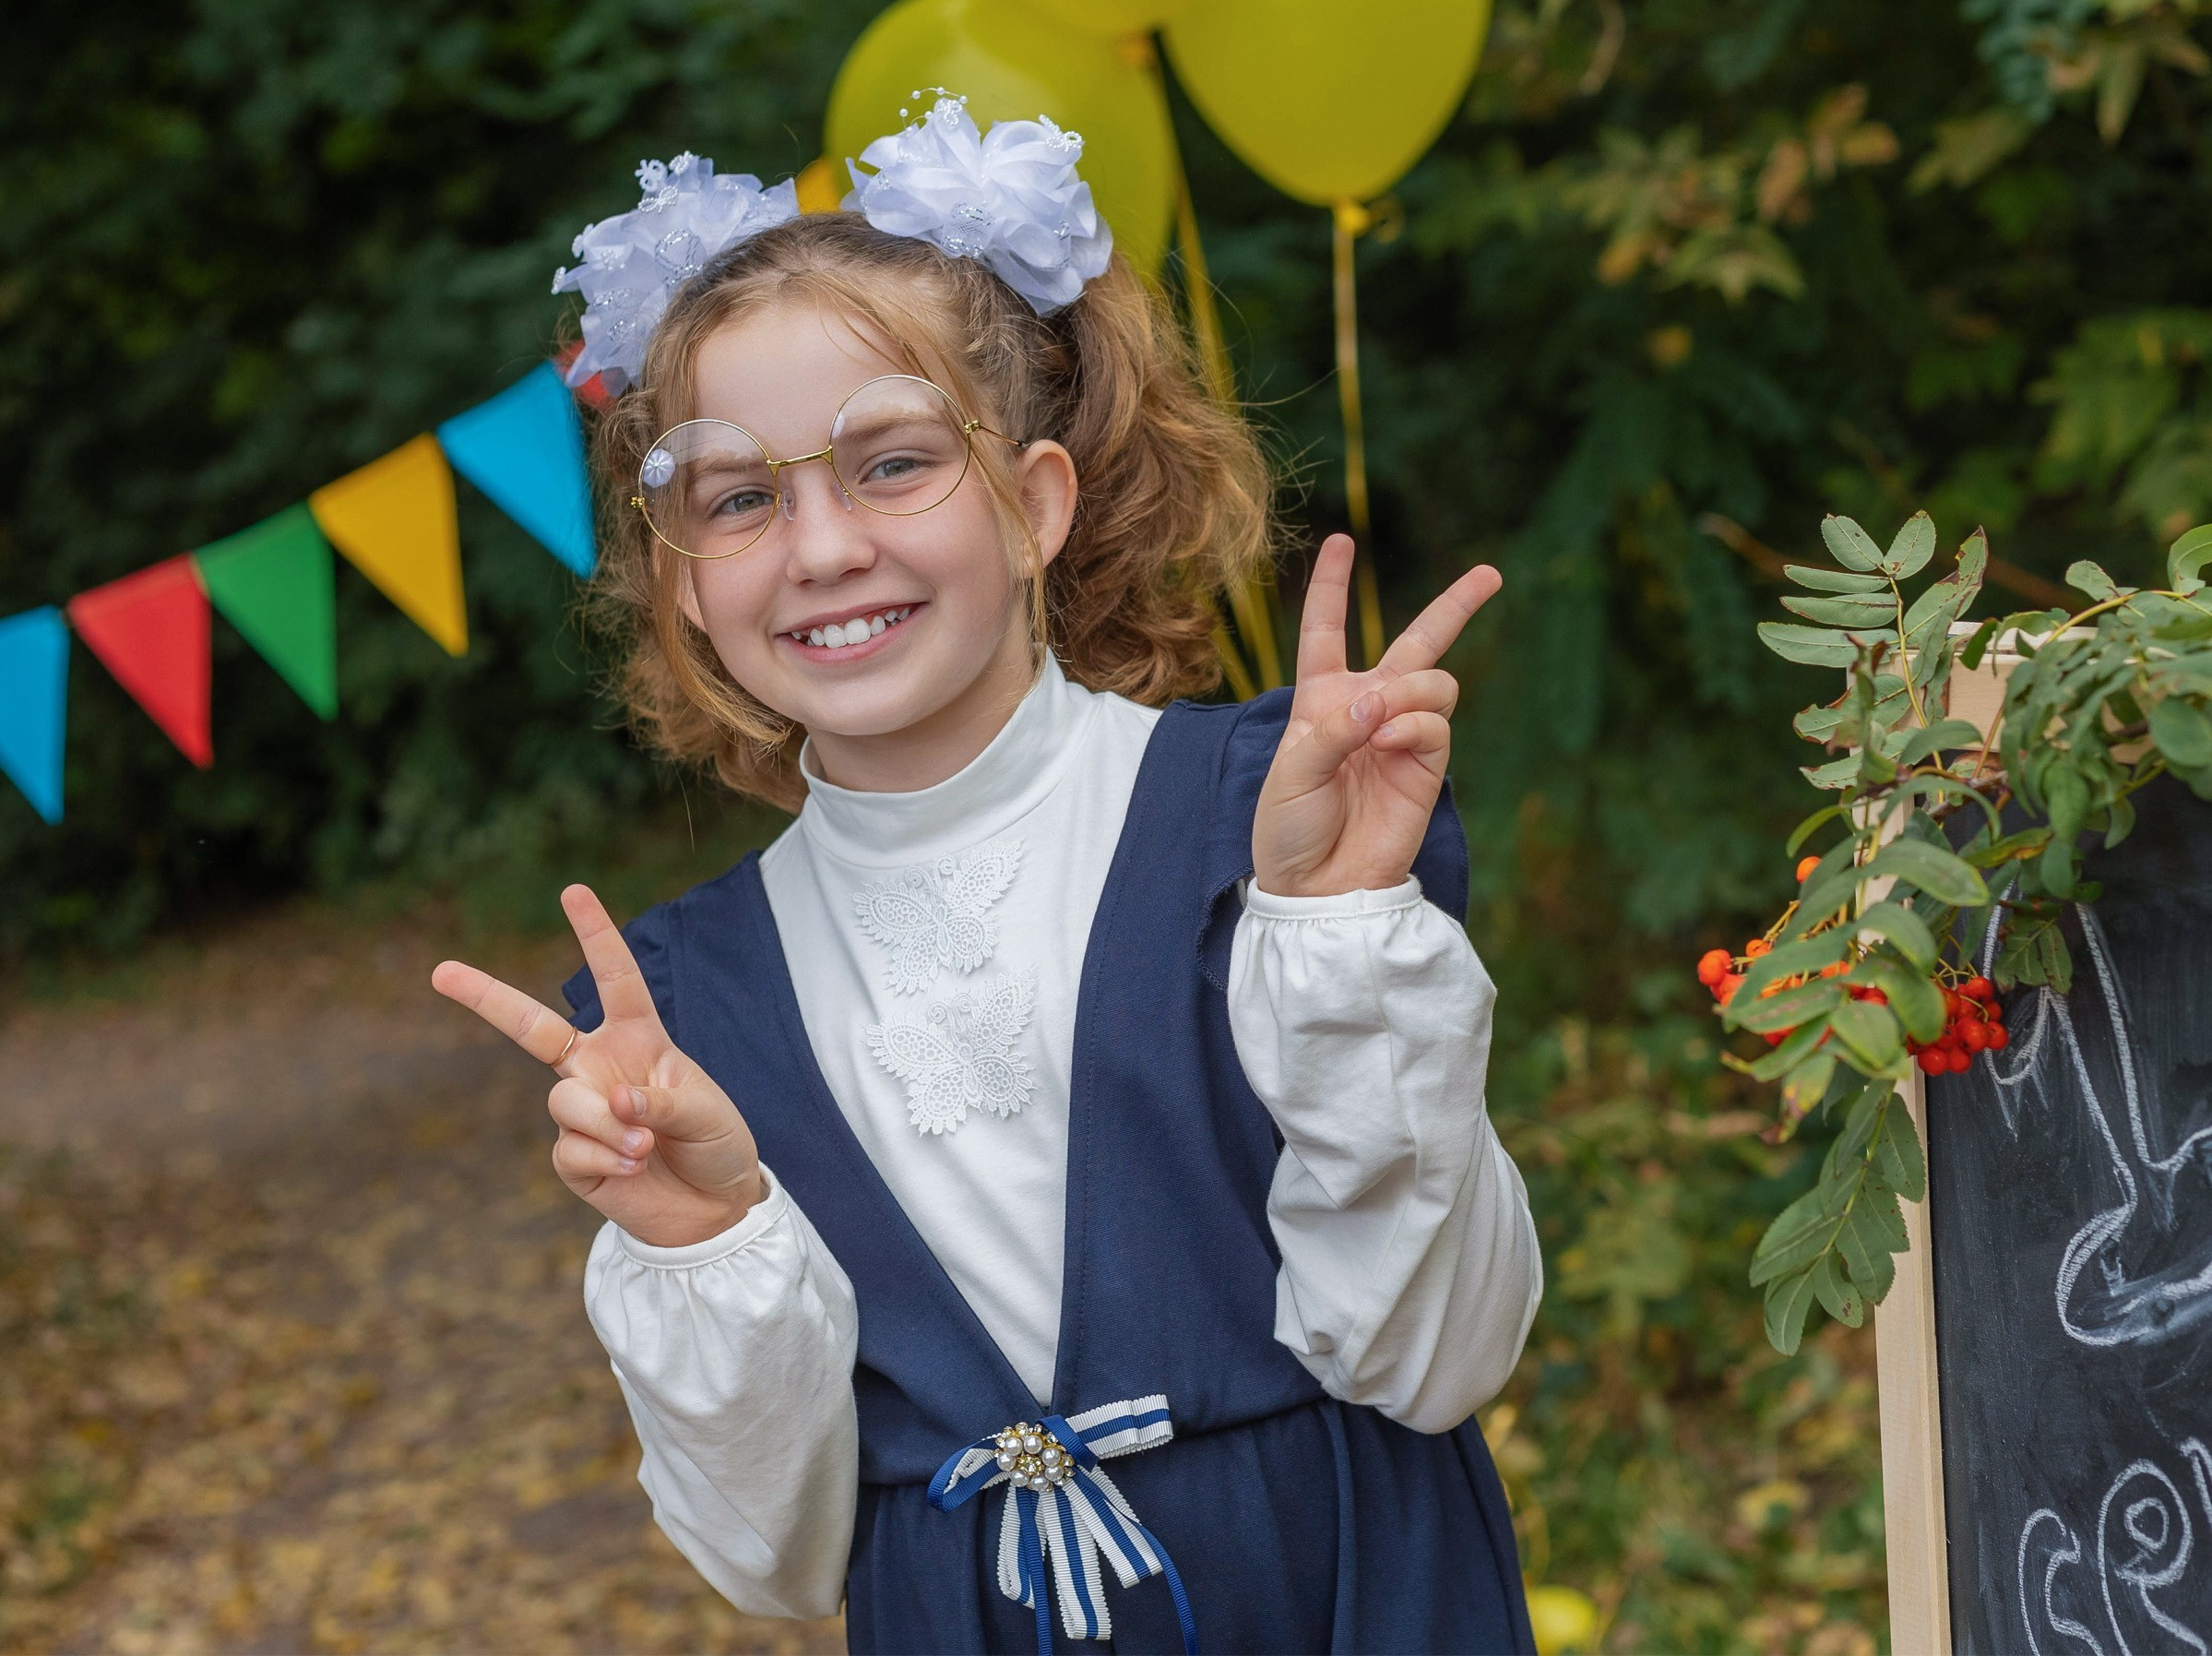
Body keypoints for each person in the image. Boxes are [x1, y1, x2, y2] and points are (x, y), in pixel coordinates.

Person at [433, 95, 1542, 1655]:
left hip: (1350, 1592)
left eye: (890, 464)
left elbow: (1437, 1358)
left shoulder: (1271, 823)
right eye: (739, 497)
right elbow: (774, 1560)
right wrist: (707, 1241)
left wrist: (1339, 930)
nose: (819, 548)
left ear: (1031, 504)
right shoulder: (681, 1009)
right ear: (684, 583)